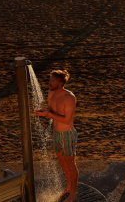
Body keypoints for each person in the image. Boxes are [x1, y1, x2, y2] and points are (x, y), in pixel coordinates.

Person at [35, 70, 78, 202]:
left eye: (52, 80)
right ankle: (69, 187)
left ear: (60, 82)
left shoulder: (69, 98)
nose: (49, 82)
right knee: (62, 162)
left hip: (67, 134)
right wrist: (44, 112)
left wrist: (48, 114)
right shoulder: (51, 93)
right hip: (57, 133)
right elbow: (53, 112)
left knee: (70, 163)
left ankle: (73, 193)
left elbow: (66, 120)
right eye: (50, 79)